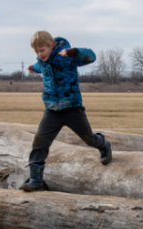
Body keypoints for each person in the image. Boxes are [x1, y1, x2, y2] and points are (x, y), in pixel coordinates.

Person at [22, 30, 111, 191]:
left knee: (88, 139)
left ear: (51, 45)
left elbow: (91, 56)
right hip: (52, 110)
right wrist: (33, 68)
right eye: (36, 51)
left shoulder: (67, 57)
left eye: (42, 50)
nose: (39, 54)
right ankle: (35, 180)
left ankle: (103, 144)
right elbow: (39, 66)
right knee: (39, 143)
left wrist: (74, 52)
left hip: (72, 108)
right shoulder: (42, 62)